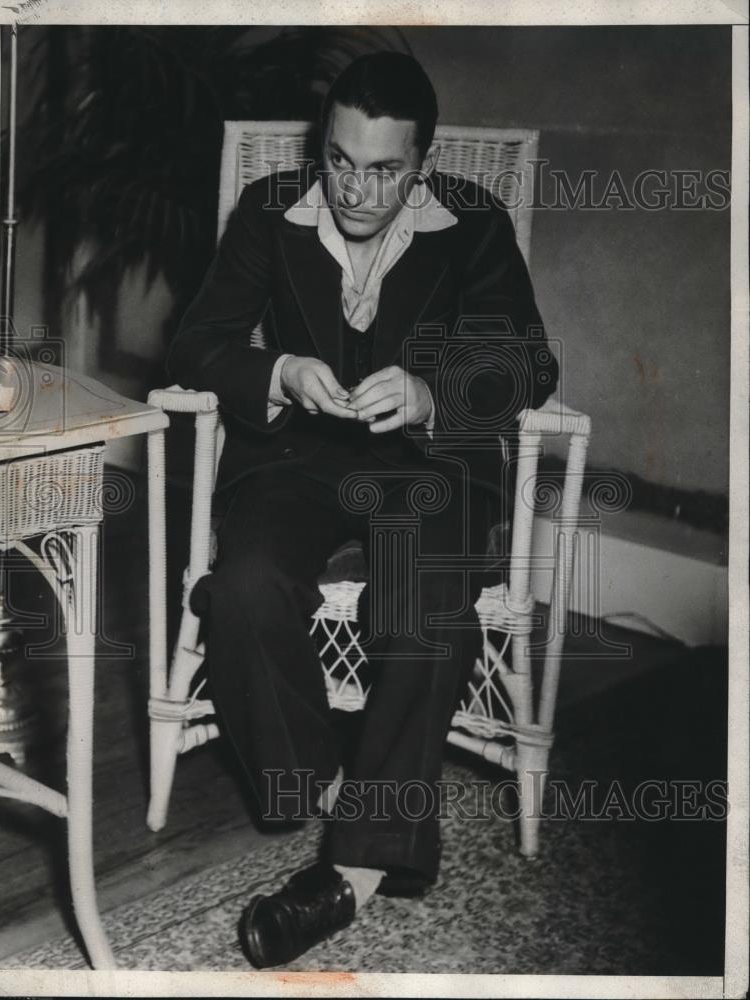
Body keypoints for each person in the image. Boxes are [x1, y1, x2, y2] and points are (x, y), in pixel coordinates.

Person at [166, 50, 558, 968]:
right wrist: (277, 372)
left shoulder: (473, 221)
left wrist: (429, 393)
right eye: (339, 160)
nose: (356, 187)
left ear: (421, 161)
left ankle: (356, 873)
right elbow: (195, 342)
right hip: (296, 459)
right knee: (243, 589)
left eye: (384, 169)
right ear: (322, 146)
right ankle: (341, 794)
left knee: (422, 606)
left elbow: (531, 365)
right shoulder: (269, 211)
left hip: (427, 468)